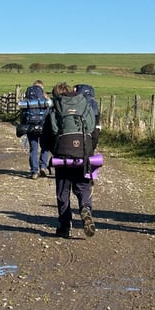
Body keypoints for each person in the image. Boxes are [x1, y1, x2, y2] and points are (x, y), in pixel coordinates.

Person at [43, 82, 97, 239]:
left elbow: (49, 133)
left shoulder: (56, 107)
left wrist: (52, 151)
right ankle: (85, 208)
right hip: (84, 152)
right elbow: (93, 130)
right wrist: (89, 151)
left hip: (63, 153)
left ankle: (64, 226)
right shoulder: (85, 104)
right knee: (83, 187)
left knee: (63, 191)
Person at [23, 80, 51, 180]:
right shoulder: (45, 98)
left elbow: (23, 113)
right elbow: (49, 112)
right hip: (43, 126)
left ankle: (34, 171)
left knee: (33, 149)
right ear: (42, 88)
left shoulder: (27, 98)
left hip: (30, 126)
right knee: (45, 147)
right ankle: (43, 166)